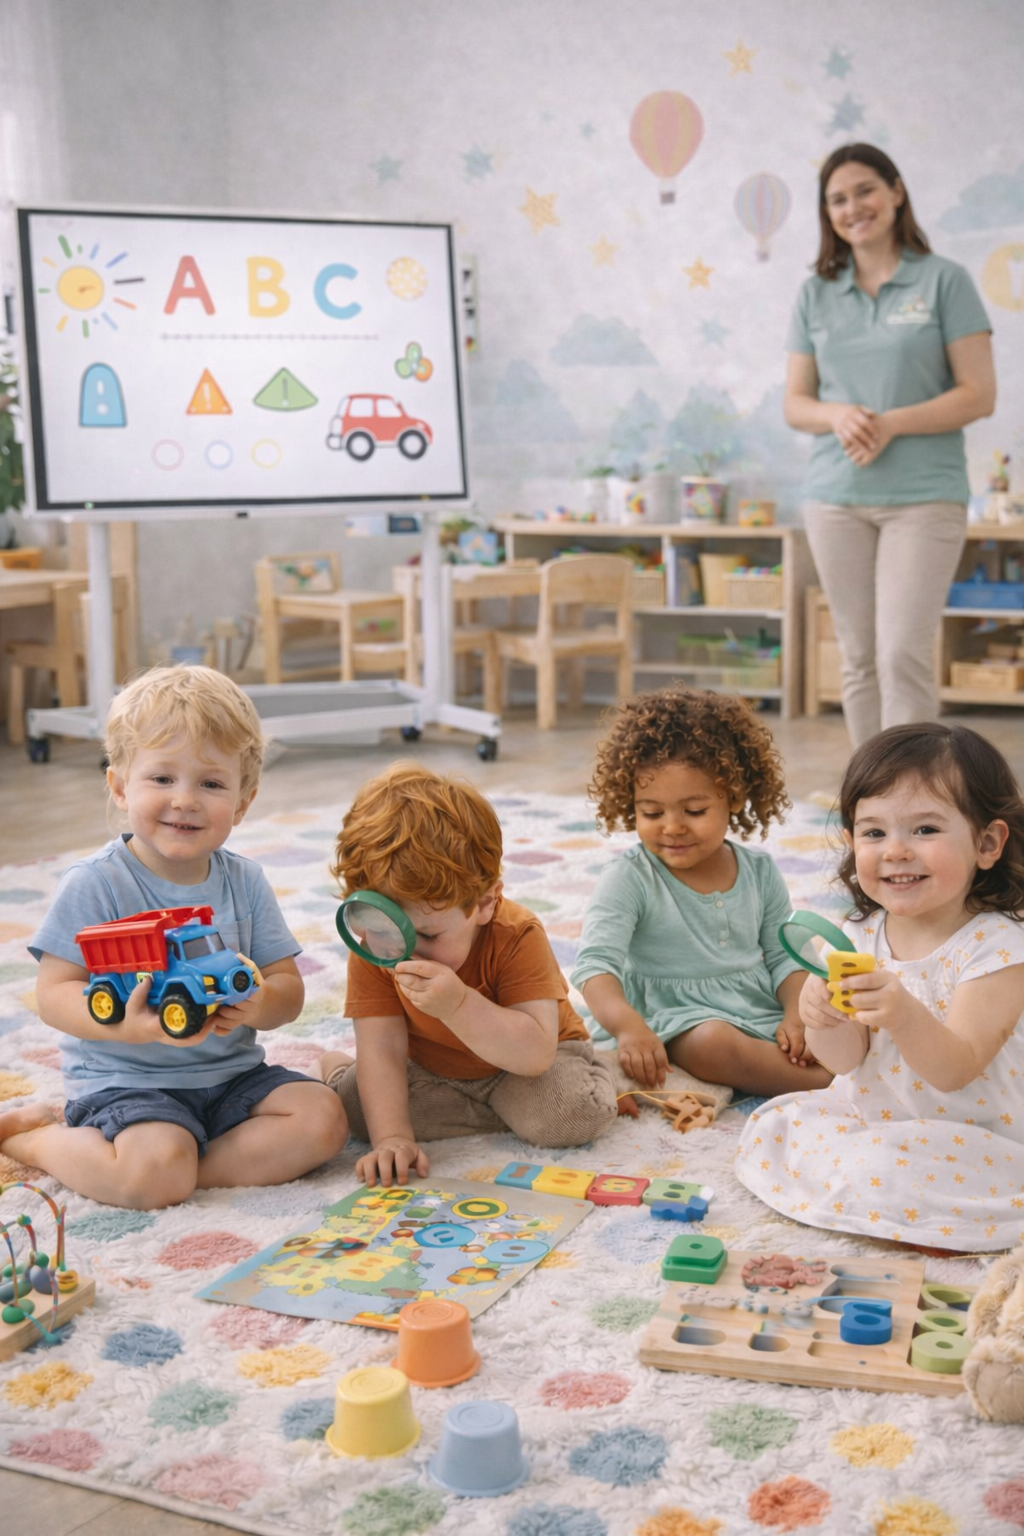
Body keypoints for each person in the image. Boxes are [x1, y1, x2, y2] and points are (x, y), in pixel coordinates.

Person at [0, 665, 347, 1209]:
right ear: (119, 786)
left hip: (232, 1077)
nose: (185, 799)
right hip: (126, 1081)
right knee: (153, 1171)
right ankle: (38, 1139)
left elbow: (287, 988)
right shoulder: (97, 883)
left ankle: (184, 1168)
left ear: (243, 801)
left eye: (210, 784)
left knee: (324, 1119)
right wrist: (124, 1024)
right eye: (162, 779)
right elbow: (53, 992)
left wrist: (258, 1002)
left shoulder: (245, 881)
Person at [735, 722, 1024, 1253]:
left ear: (987, 843)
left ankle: (921, 1213)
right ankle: (891, 1197)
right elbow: (846, 1062)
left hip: (974, 1134)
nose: (895, 851)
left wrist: (902, 1012)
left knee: (889, 1172)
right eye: (873, 833)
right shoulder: (857, 934)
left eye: (925, 830)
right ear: (850, 843)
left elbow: (954, 1069)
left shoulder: (999, 948)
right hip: (875, 1117)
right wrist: (823, 1018)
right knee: (780, 1129)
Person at [785, 142, 995, 748]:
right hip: (835, 496)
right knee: (856, 656)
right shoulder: (815, 294)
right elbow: (796, 403)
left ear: (896, 191)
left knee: (902, 652)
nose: (854, 208)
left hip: (923, 497)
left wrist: (893, 423)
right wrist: (837, 413)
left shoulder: (944, 281)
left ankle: (911, 795)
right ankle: (867, 798)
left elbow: (979, 394)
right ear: (828, 213)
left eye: (865, 190)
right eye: (837, 199)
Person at [319, 763, 618, 1187]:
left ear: (485, 903)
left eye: (428, 934)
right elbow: (382, 1050)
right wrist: (393, 1138)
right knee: (353, 1107)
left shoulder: (516, 934)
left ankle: (602, 1068)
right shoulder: (376, 947)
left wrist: (457, 1004)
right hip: (431, 1069)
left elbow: (534, 1054)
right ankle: (489, 1113)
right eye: (384, 927)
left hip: (524, 1066)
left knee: (573, 1114)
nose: (405, 953)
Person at [570, 686, 832, 1097]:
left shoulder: (759, 870)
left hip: (754, 1008)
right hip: (671, 1020)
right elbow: (595, 968)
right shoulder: (629, 877)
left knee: (841, 1011)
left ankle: (826, 1064)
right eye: (651, 812)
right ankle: (828, 1085)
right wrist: (628, 1027)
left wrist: (796, 1014)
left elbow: (788, 956)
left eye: (694, 811)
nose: (672, 826)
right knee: (713, 1044)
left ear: (734, 797)